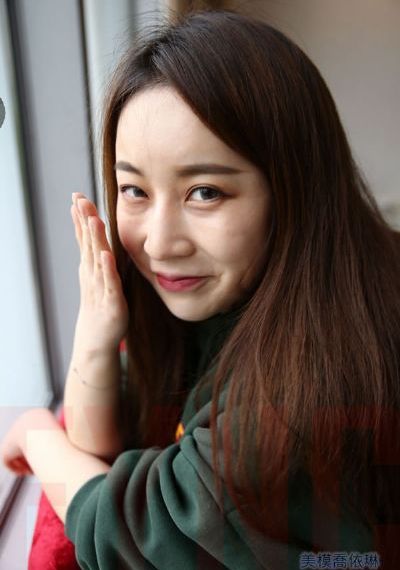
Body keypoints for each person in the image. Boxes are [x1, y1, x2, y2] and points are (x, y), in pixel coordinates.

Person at [1, 7, 400, 569]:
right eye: (134, 190)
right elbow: (114, 436)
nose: (160, 243)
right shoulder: (258, 289)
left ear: (294, 189)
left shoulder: (302, 394)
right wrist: (94, 336)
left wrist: (36, 432)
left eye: (205, 192)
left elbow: (137, 536)